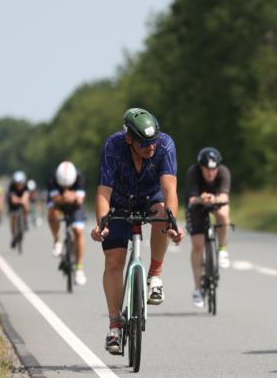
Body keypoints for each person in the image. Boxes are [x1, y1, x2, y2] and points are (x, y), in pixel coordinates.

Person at [91, 108, 184, 354]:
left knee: (163, 213)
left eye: (153, 142)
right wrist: (102, 224)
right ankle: (114, 326)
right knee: (114, 261)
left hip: (150, 198)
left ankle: (155, 275)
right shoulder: (113, 146)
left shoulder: (164, 146)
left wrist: (173, 223)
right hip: (120, 202)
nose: (150, 147)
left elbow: (170, 190)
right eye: (144, 143)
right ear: (129, 138)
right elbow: (103, 192)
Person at [185, 147, 231, 309]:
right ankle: (197, 289)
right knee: (198, 245)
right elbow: (191, 199)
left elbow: (225, 196)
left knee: (224, 215)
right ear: (201, 167)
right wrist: (201, 198)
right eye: (207, 169)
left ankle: (223, 249)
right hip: (197, 205)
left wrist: (214, 198)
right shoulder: (193, 173)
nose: (211, 173)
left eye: (213, 169)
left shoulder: (224, 172)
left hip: (216, 201)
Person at [47, 160, 88, 286]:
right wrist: (65, 197)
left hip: (75, 205)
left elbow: (80, 201)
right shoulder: (52, 178)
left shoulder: (79, 177)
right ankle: (57, 240)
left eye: (68, 185)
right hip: (58, 204)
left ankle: (79, 269)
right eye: (62, 186)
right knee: (52, 212)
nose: (65, 188)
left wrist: (72, 197)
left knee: (78, 231)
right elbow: (55, 199)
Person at [6, 170, 30, 248]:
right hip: (13, 204)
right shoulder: (12, 187)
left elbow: (26, 197)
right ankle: (13, 236)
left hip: (22, 201)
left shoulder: (26, 187)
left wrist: (23, 201)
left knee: (26, 205)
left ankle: (25, 220)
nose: (19, 185)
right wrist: (19, 200)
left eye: (21, 183)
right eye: (17, 183)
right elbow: (13, 199)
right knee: (13, 217)